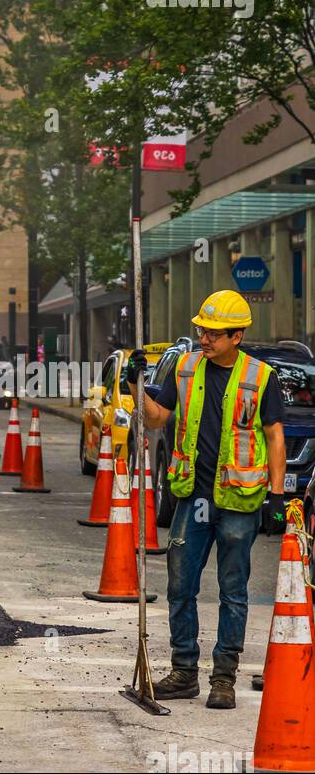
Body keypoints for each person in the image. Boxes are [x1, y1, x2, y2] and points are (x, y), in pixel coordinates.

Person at [138, 290, 286, 710]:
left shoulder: (260, 377)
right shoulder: (184, 369)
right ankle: (184, 672)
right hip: (192, 498)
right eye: (202, 329)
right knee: (180, 586)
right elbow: (156, 419)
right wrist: (138, 384)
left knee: (232, 590)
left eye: (214, 333)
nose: (204, 338)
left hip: (239, 501)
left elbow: (274, 436)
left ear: (237, 336)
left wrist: (276, 496)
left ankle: (224, 677)